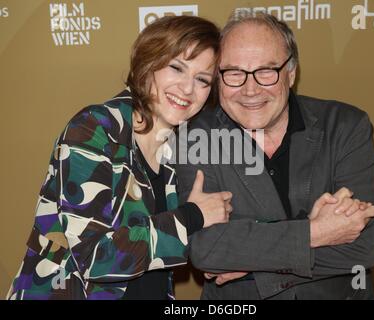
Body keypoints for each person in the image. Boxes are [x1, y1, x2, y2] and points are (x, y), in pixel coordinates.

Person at [7, 16, 233, 300]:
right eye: (177, 68)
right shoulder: (94, 129)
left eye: (202, 80)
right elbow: (93, 257)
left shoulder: (180, 144)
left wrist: (227, 257)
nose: (188, 89)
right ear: (148, 64)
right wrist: (192, 217)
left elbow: (189, 230)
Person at [175, 13, 374, 300]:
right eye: (234, 73)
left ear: (291, 72)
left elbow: (363, 248)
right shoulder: (194, 137)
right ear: (218, 78)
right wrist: (316, 231)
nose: (251, 89)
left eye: (267, 71)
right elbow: (206, 250)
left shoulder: (345, 127)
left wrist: (247, 262)